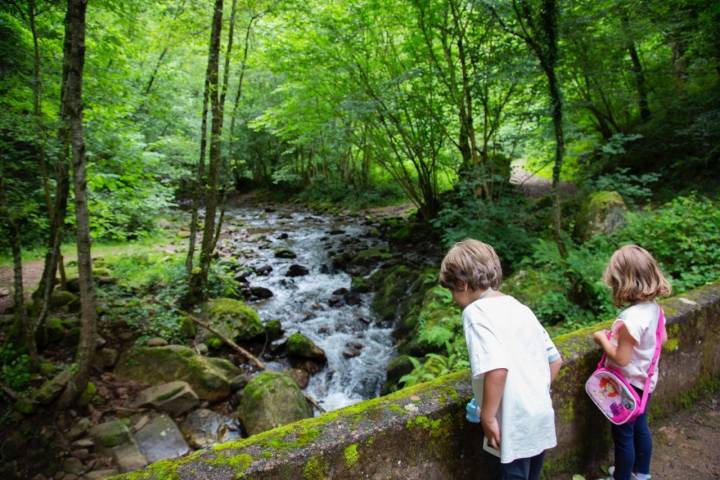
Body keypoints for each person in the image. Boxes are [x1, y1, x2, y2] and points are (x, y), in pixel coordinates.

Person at [439, 239, 562, 480]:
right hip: (540, 416)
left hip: (511, 423)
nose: (453, 299)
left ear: (463, 285)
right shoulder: (520, 307)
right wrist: (534, 394)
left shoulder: (475, 313)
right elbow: (555, 360)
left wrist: (487, 416)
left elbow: (496, 368)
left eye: (452, 291)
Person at [592, 245, 671, 480]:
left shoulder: (631, 319)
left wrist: (602, 340)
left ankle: (623, 477)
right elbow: (662, 339)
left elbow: (621, 358)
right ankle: (642, 473)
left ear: (623, 283)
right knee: (640, 428)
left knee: (623, 435)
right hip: (645, 383)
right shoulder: (655, 310)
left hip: (626, 387)